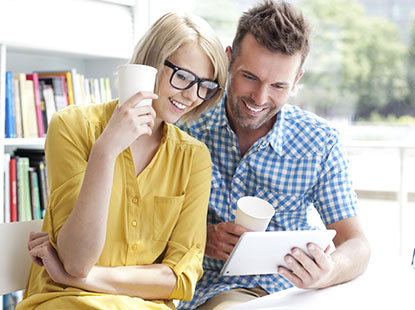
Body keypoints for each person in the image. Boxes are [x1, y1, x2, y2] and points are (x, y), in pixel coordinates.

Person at [17, 12, 227, 310]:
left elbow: (179, 280)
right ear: (151, 64)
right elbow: (78, 260)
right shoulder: (72, 127)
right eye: (183, 77)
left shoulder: (193, 157)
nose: (193, 96)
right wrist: (106, 150)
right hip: (66, 302)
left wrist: (82, 277)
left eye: (205, 85)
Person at [177, 1, 371, 309]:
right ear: (228, 60)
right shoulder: (185, 127)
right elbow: (141, 227)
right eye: (250, 77)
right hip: (209, 290)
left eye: (279, 85)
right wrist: (200, 237)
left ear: (296, 81)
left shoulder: (319, 141)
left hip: (290, 294)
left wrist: (329, 270)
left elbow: (357, 244)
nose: (260, 98)